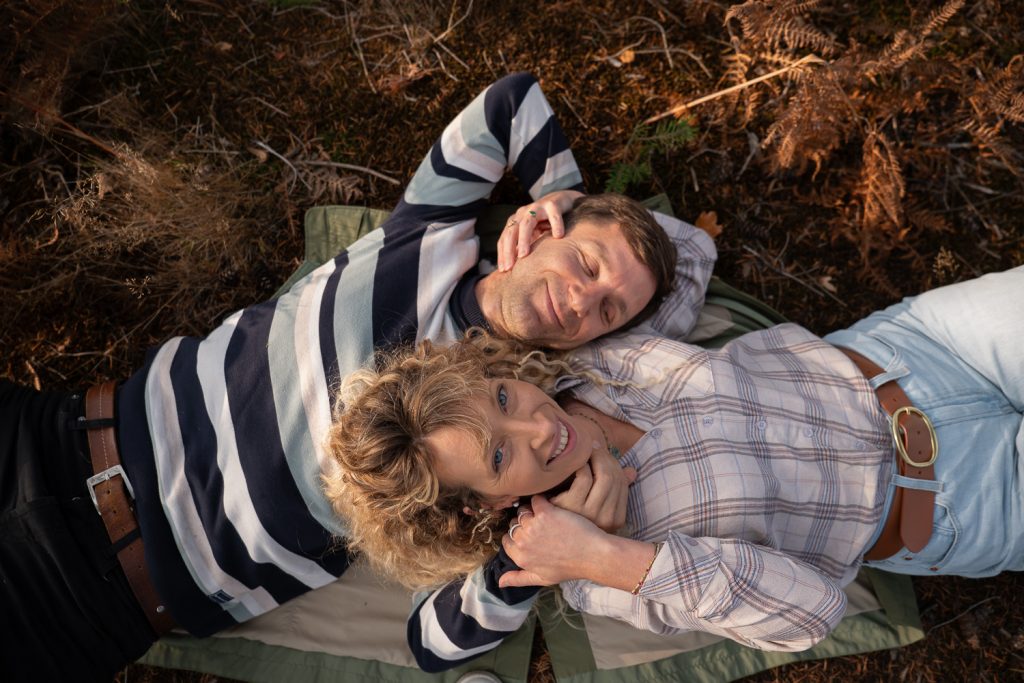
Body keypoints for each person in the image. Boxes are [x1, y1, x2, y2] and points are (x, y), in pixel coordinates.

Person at [0, 73, 717, 681]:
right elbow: (512, 100)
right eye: (587, 266)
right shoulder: (430, 238)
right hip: (58, 435)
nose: (582, 300)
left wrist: (532, 560)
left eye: (608, 312)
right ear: (545, 230)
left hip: (92, 593)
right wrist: (558, 191)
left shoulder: (514, 445)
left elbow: (435, 644)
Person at [326, 266, 1024, 672]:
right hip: (957, 496)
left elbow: (684, 258)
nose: (540, 425)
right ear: (478, 508)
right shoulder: (608, 578)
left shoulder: (582, 364)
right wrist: (613, 556)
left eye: (503, 399)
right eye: (500, 454)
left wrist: (557, 241)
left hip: (914, 347)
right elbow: (814, 611)